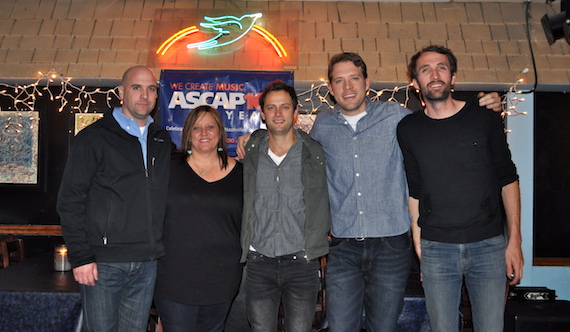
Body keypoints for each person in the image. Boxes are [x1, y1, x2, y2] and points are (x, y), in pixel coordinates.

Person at [236, 53, 502, 332]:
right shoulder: (322, 126)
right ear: (330, 87)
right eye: (339, 80)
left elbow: (437, 121)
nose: (347, 87)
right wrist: (254, 137)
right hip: (343, 248)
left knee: (383, 327)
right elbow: (287, 142)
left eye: (354, 78)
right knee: (339, 326)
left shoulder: (396, 117)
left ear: (367, 82)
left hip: (391, 246)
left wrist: (484, 105)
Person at [397, 45, 523, 332]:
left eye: (441, 67)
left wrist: (514, 241)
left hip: (489, 246)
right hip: (437, 251)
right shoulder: (408, 128)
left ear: (452, 77)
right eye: (425, 69)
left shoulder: (484, 116)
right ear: (415, 83)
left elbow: (508, 178)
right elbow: (414, 192)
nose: (434, 74)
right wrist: (420, 250)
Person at [57, 65, 171, 332]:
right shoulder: (94, 138)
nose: (144, 95)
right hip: (103, 263)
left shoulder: (161, 139)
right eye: (136, 87)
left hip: (147, 262)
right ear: (121, 92)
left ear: (156, 95)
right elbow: (70, 200)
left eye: (151, 88)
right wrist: (81, 257)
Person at [240, 80, 330, 332]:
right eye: (271, 108)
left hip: (302, 262)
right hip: (259, 262)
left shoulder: (316, 154)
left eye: (284, 107)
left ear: (295, 111)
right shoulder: (251, 151)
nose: (278, 114)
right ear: (262, 114)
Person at [154, 105, 243, 332]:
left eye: (210, 127)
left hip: (222, 278)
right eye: (197, 128)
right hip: (175, 278)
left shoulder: (243, 174)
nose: (204, 133)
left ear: (220, 132)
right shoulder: (168, 168)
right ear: (188, 135)